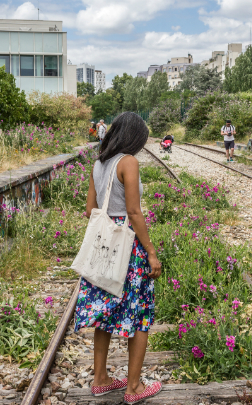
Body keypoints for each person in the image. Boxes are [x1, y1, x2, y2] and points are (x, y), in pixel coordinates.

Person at [76, 112, 163, 404]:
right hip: (128, 248)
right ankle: (134, 388)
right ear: (134, 137)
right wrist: (151, 252)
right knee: (139, 314)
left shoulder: (99, 163)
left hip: (103, 248)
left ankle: (100, 379)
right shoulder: (129, 162)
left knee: (104, 312)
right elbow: (134, 212)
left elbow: (90, 209)